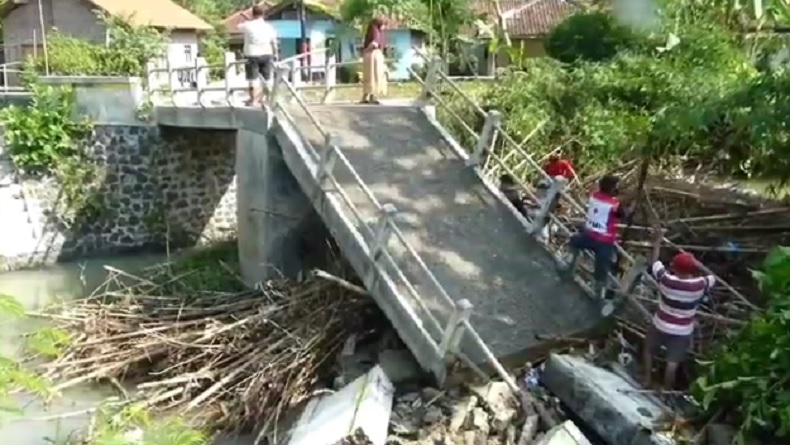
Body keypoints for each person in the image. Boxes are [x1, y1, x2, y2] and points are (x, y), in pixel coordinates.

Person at [643, 228, 715, 389]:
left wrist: (658, 242)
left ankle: (647, 379)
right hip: (682, 331)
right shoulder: (698, 285)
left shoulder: (666, 280)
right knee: (672, 363)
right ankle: (666, 389)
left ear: (674, 268)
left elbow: (655, 262)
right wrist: (698, 264)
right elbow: (712, 277)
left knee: (649, 350)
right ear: (692, 270)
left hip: (660, 323)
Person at [559, 174, 633, 303]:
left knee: (573, 241)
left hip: (588, 235)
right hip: (604, 241)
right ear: (613, 189)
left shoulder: (594, 196)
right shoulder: (614, 204)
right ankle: (599, 295)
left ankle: (569, 264)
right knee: (602, 269)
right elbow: (624, 215)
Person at [239, 6, 278, 106]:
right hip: (267, 53)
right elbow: (274, 42)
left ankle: (254, 100)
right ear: (263, 14)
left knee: (253, 79)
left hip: (252, 54)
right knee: (267, 78)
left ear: (253, 14)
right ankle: (265, 99)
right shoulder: (268, 27)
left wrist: (250, 20)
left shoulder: (248, 25)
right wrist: (275, 54)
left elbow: (238, 27)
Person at [361, 17, 387, 104]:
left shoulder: (373, 29)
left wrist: (365, 50)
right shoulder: (376, 30)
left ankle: (366, 96)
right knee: (375, 75)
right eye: (383, 24)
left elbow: (373, 43)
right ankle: (373, 96)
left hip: (370, 55)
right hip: (375, 54)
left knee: (368, 76)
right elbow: (375, 43)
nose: (384, 27)